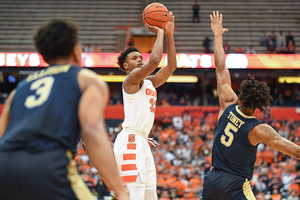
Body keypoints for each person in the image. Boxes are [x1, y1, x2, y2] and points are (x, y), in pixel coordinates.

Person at [0, 19, 129, 200]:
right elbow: (91, 131)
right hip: (46, 163)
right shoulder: (86, 79)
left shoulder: (18, 91)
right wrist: (120, 190)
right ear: (76, 50)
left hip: (4, 166)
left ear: (43, 55)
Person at [201, 11, 300, 200]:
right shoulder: (259, 129)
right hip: (235, 186)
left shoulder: (228, 102)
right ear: (259, 107)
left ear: (240, 98)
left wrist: (218, 35)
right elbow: (295, 151)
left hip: (212, 180)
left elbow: (220, 67)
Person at [113, 12, 177, 200]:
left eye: (141, 57)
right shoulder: (130, 80)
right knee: (135, 195)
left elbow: (171, 66)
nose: (140, 59)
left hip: (142, 141)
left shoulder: (148, 82)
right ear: (126, 66)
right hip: (130, 140)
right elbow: (155, 61)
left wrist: (170, 34)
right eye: (134, 58)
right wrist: (159, 33)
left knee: (150, 196)